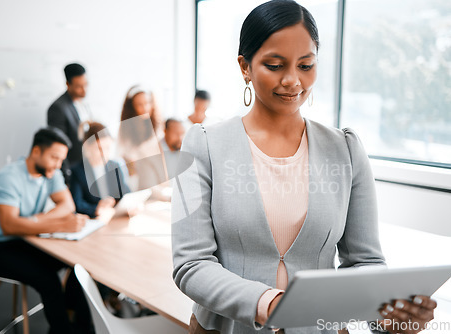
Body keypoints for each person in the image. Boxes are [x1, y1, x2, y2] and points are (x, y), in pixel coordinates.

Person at [171, 1, 436, 334]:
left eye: (306, 65)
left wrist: (387, 316)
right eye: (275, 65)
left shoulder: (347, 150)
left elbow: (364, 264)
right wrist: (267, 303)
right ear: (245, 67)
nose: (293, 80)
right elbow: (190, 264)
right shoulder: (201, 144)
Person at [0, 127, 92, 334]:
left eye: (61, 160)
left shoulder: (50, 172)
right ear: (36, 152)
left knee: (77, 263)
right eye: (54, 158)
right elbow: (9, 225)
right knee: (49, 282)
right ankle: (62, 330)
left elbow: (68, 205)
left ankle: (81, 326)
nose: (58, 165)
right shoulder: (9, 178)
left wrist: (36, 220)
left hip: (26, 239)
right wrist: (58, 224)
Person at [70, 121, 131, 220]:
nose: (104, 153)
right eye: (99, 148)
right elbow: (77, 204)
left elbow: (126, 192)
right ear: (87, 146)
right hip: (94, 221)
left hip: (115, 219)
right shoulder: (77, 171)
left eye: (107, 148)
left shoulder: (114, 166)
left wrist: (131, 205)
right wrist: (97, 208)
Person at [47, 63, 92, 181]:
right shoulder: (58, 108)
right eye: (79, 86)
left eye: (85, 84)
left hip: (88, 165)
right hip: (73, 169)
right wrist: (66, 176)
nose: (84, 90)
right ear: (68, 84)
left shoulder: (84, 104)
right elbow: (59, 144)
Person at [118, 85, 167, 191]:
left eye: (148, 103)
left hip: (159, 176)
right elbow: (126, 158)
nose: (145, 108)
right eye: (139, 104)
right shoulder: (126, 130)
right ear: (132, 107)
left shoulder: (159, 125)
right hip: (138, 179)